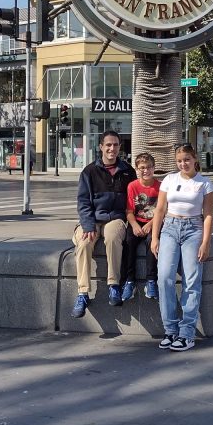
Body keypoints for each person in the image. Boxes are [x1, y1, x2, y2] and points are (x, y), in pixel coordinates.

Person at [151, 143, 213, 352]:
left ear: (195, 159)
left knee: (191, 280)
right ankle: (170, 329)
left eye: (187, 159)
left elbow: (208, 215)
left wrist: (205, 242)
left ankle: (186, 333)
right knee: (164, 278)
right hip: (170, 228)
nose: (183, 164)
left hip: (193, 229)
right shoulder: (169, 180)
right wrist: (155, 237)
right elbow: (160, 209)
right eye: (179, 161)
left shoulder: (205, 183)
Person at [70, 130, 136, 318]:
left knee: (113, 237)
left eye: (115, 145)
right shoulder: (89, 171)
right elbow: (83, 201)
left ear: (119, 147)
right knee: (84, 242)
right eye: (108, 145)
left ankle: (114, 285)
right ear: (101, 147)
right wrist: (88, 225)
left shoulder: (128, 171)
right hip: (92, 219)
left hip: (115, 218)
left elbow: (134, 199)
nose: (111, 148)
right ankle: (83, 293)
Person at [119, 152, 160, 302]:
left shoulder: (160, 186)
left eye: (149, 167)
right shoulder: (133, 186)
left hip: (154, 221)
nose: (146, 170)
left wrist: (151, 224)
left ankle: (151, 280)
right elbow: (129, 211)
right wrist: (135, 225)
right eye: (142, 168)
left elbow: (162, 211)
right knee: (128, 242)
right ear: (137, 169)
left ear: (154, 168)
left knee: (152, 242)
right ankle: (129, 281)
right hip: (136, 221)